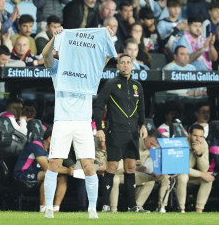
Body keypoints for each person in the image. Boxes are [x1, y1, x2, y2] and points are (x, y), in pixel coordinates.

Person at [41, 25, 117, 218]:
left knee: (88, 165)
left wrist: (107, 37)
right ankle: (48, 208)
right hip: (63, 121)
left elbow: (105, 57)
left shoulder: (89, 70)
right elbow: (45, 55)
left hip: (83, 123)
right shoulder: (57, 69)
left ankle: (92, 209)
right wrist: (53, 38)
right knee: (54, 164)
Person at [93, 53, 148, 212]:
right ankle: (105, 205)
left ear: (132, 65)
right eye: (122, 63)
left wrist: (143, 125)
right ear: (117, 66)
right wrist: (100, 128)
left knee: (130, 168)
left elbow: (142, 109)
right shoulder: (111, 83)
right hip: (115, 130)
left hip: (132, 133)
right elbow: (98, 106)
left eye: (128, 63)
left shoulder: (137, 85)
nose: (125, 65)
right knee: (112, 167)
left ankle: (132, 206)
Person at [13, 128, 71, 213]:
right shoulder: (37, 145)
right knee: (49, 174)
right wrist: (68, 171)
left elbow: (58, 167)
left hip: (38, 173)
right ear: (50, 139)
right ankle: (43, 208)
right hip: (22, 173)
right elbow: (47, 167)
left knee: (62, 177)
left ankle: (56, 208)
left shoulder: (51, 149)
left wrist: (70, 170)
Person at [175, 125, 214, 213]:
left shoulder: (203, 144)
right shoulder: (182, 143)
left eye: (201, 136)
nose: (198, 139)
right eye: (195, 135)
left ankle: (199, 210)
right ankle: (181, 209)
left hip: (191, 174)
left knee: (208, 179)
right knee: (183, 176)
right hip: (177, 175)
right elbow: (181, 168)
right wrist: (201, 174)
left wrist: (199, 153)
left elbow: (204, 169)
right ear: (189, 135)